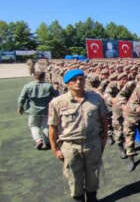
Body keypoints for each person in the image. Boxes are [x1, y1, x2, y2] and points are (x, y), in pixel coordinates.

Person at [48, 69, 108, 202]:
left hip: (92, 144)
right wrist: (55, 149)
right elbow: (52, 128)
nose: (78, 82)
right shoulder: (57, 102)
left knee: (93, 176)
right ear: (67, 83)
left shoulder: (96, 98)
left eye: (81, 79)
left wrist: (103, 140)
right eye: (74, 80)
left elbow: (104, 121)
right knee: (74, 178)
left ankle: (92, 198)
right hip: (70, 147)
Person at [18, 71, 57, 149]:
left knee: (33, 126)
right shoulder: (48, 86)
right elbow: (57, 95)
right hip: (46, 110)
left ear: (34, 76)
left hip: (33, 111)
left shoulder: (28, 86)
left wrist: (20, 107)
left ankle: (38, 140)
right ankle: (47, 142)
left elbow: (22, 98)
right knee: (45, 126)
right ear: (44, 76)